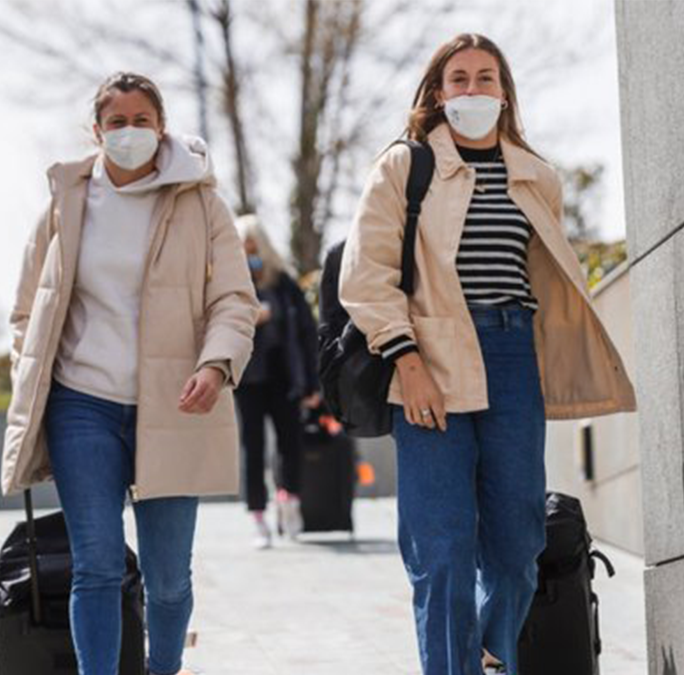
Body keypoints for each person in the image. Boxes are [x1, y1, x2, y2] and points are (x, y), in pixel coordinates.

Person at [339, 34, 636, 675]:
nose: (473, 90)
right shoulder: (404, 166)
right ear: (438, 93)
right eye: (460, 79)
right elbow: (365, 278)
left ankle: (484, 652)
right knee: (441, 547)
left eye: (486, 79)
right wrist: (408, 362)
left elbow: (547, 281)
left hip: (511, 355)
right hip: (427, 356)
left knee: (518, 543)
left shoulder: (538, 177)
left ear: (504, 93)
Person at [0, 71, 259, 675]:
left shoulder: (201, 202)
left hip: (175, 403)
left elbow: (234, 300)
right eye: (116, 122)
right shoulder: (65, 202)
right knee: (96, 563)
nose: (129, 132)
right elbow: (25, 309)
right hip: (81, 403)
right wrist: (31, 374)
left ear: (161, 128)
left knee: (169, 578)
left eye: (142, 121)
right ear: (96, 131)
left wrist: (217, 364)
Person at [233, 214, 321, 548]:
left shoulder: (284, 285)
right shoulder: (232, 285)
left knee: (290, 443)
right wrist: (250, 318)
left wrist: (313, 385)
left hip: (286, 377)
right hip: (249, 379)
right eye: (244, 247)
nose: (250, 253)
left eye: (254, 246)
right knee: (252, 447)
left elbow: (306, 334)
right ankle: (258, 516)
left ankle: (290, 501)